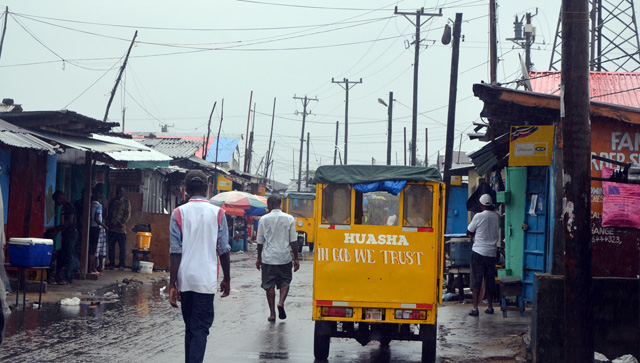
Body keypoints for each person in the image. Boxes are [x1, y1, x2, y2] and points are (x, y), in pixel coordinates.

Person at [169, 170, 231, 363]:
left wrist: (172, 284)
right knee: (200, 329)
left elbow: (175, 251)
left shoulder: (178, 213)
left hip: (185, 279)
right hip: (206, 281)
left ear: (186, 190)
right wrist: (227, 279)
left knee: (191, 328)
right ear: (206, 189)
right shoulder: (218, 213)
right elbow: (224, 250)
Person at [255, 194, 300, 322]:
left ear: (269, 204)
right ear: (280, 204)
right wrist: (296, 258)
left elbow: (260, 241)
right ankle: (280, 302)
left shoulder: (263, 219)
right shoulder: (289, 218)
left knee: (269, 285)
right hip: (284, 257)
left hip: (268, 259)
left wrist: (259, 258)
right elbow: (293, 241)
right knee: (285, 281)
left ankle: (272, 313)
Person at [466, 194, 501, 316]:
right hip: (491, 253)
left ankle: (475, 309)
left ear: (481, 205)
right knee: (489, 280)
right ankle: (490, 307)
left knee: (476, 280)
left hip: (478, 253)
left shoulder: (478, 216)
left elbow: (469, 231)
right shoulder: (497, 217)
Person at [52, 191, 78, 284]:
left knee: (68, 256)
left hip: (70, 234)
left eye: (56, 200)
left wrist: (59, 229)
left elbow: (70, 221)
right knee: (63, 254)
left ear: (61, 197)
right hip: (66, 234)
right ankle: (60, 276)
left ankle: (67, 278)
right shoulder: (64, 207)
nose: (56, 203)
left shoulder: (69, 207)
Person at [106, 186, 131, 270]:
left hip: (121, 229)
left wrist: (120, 223)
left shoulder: (126, 202)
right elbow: (109, 213)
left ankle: (122, 264)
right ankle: (112, 263)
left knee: (122, 248)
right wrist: (109, 222)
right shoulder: (112, 201)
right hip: (112, 228)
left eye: (121, 192)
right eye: (118, 192)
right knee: (111, 247)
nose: (119, 193)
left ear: (123, 193)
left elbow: (127, 215)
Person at [89, 194, 108, 274]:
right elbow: (96, 219)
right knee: (93, 251)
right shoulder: (99, 206)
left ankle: (91, 269)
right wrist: (105, 226)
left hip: (90, 227)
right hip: (96, 228)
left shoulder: (90, 205)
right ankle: (92, 269)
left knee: (91, 250)